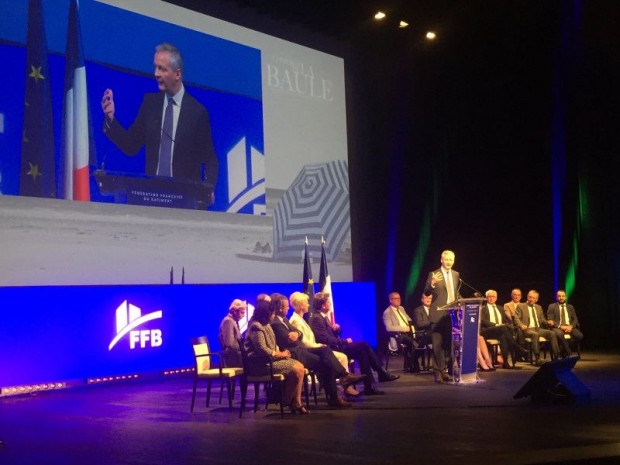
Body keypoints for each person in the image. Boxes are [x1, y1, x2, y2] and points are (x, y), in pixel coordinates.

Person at [101, 43, 219, 191]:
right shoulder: (150, 104)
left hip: (184, 201)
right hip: (152, 196)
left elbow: (210, 160)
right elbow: (131, 145)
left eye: (162, 69)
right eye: (155, 67)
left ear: (177, 74)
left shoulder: (197, 113)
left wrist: (208, 190)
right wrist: (111, 118)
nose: (156, 74)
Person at [269, 293, 364, 408]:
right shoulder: (276, 323)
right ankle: (337, 392)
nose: (288, 308)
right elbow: (288, 340)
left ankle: (343, 379)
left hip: (300, 350)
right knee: (326, 363)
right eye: (286, 306)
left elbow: (299, 334)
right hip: (294, 354)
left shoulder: (284, 320)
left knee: (325, 351)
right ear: (280, 308)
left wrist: (296, 334)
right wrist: (296, 335)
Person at [311, 292, 399, 396]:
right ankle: (381, 372)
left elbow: (331, 334)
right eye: (328, 302)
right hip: (332, 350)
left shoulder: (323, 317)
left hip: (338, 346)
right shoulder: (317, 318)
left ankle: (369, 387)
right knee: (364, 345)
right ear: (323, 305)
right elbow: (324, 339)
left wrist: (337, 329)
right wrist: (344, 341)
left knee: (363, 353)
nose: (330, 304)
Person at [289, 291, 362, 397]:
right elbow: (304, 342)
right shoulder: (296, 320)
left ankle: (345, 382)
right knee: (339, 357)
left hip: (313, 349)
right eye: (306, 302)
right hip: (307, 351)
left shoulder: (301, 319)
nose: (308, 305)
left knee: (339, 356)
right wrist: (319, 346)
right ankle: (346, 382)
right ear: (301, 306)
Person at [244, 299, 308, 414]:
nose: (273, 316)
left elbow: (273, 344)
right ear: (265, 314)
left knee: (300, 367)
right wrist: (280, 354)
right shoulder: (256, 327)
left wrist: (280, 352)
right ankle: (288, 400)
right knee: (297, 369)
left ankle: (295, 401)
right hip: (261, 364)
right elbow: (262, 349)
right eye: (272, 314)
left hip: (270, 360)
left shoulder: (266, 325)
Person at [423, 250, 459, 383]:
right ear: (441, 260)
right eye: (447, 259)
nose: (449, 262)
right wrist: (432, 283)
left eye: (451, 260)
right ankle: (437, 372)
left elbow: (454, 293)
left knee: (447, 345)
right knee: (437, 345)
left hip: (451, 314)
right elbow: (426, 293)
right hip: (437, 313)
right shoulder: (434, 274)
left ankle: (445, 371)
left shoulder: (456, 274)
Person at [480, 289, 528, 368]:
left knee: (503, 336)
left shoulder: (500, 308)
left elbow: (505, 321)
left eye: (493, 296)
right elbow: (482, 321)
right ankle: (517, 347)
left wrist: (504, 325)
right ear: (486, 298)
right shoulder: (482, 308)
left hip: (500, 331)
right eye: (489, 297)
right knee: (503, 328)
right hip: (487, 331)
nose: (491, 298)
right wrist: (496, 325)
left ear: (496, 298)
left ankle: (505, 362)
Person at [514, 290, 560, 365]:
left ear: (536, 299)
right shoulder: (520, 306)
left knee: (552, 333)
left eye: (533, 298)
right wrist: (521, 325)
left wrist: (548, 322)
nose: (531, 299)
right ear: (527, 297)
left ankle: (556, 356)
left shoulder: (539, 307)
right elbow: (516, 318)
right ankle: (537, 358)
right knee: (535, 334)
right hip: (527, 329)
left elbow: (542, 319)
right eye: (530, 297)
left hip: (538, 328)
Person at [382, 292, 419, 372]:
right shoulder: (387, 312)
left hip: (408, 332)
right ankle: (413, 366)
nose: (398, 300)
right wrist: (403, 328)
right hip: (397, 335)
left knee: (420, 338)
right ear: (390, 300)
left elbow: (408, 319)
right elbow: (388, 328)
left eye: (399, 298)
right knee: (411, 342)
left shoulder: (401, 308)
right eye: (395, 299)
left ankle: (411, 365)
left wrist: (411, 324)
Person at [546, 289, 584, 357]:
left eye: (563, 296)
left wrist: (570, 327)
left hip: (569, 326)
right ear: (557, 297)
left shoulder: (570, 307)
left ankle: (563, 349)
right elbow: (550, 319)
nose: (561, 297)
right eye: (559, 296)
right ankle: (568, 352)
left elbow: (575, 319)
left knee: (579, 336)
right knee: (560, 334)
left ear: (565, 297)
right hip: (557, 327)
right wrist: (560, 326)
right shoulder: (552, 306)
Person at [218, 299, 246, 367]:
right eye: (242, 313)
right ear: (234, 311)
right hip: (232, 358)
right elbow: (229, 344)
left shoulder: (233, 321)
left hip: (236, 355)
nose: (244, 315)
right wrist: (244, 347)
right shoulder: (228, 321)